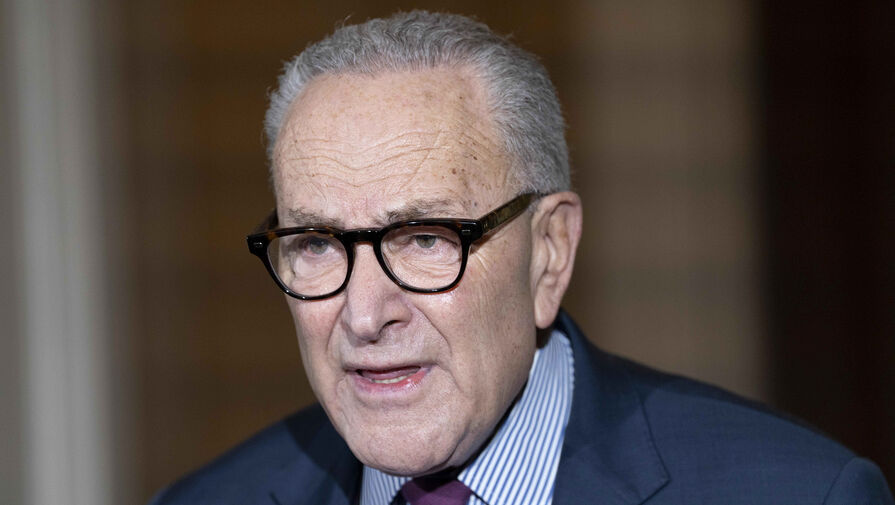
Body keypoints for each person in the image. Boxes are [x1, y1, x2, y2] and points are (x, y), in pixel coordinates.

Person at [150, 10, 893, 505]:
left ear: (549, 253)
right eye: (316, 243)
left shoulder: (796, 494)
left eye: (425, 238)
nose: (365, 314)